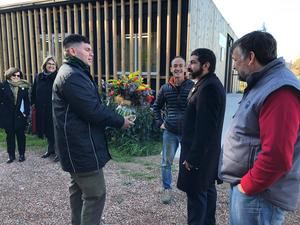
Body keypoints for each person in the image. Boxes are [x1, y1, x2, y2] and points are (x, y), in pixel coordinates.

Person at [219, 31, 300, 225]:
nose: (235, 66)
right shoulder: (264, 84)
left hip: (260, 195)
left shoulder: (280, 91)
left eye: (236, 60)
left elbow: (277, 156)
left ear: (251, 57)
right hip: (254, 192)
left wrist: (246, 186)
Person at [52, 34, 133, 225]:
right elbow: (93, 110)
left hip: (76, 146)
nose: (92, 53)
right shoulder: (72, 75)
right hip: (81, 147)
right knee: (96, 194)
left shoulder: (73, 72)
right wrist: (120, 121)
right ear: (72, 51)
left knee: (78, 190)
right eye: (87, 49)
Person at [177, 48, 226, 225]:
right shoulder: (205, 84)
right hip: (205, 156)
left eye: (193, 62)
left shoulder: (209, 88)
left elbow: (205, 129)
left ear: (206, 65)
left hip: (200, 157)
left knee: (197, 199)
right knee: (207, 191)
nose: (188, 66)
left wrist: (193, 158)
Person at [153, 56, 193, 204]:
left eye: (180, 65)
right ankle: (167, 188)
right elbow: (156, 107)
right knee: (166, 162)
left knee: (189, 161)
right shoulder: (165, 88)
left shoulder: (192, 86)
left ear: (185, 68)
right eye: (175, 66)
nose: (177, 68)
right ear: (171, 69)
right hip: (170, 131)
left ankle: (190, 188)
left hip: (188, 132)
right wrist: (160, 123)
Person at [31, 56, 59, 162]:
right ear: (45, 65)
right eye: (49, 64)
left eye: (53, 64)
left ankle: (58, 152)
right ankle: (50, 149)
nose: (51, 66)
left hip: (54, 108)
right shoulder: (38, 76)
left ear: (56, 66)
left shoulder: (58, 76)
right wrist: (33, 103)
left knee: (55, 130)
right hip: (41, 109)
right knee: (46, 129)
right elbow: (33, 91)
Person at [0, 68, 30, 163]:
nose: (16, 77)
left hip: (20, 115)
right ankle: (11, 156)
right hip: (8, 116)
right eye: (14, 75)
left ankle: (22, 154)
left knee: (21, 135)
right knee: (10, 136)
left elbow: (26, 101)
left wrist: (26, 112)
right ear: (9, 76)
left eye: (18, 75)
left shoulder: (24, 86)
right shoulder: (3, 86)